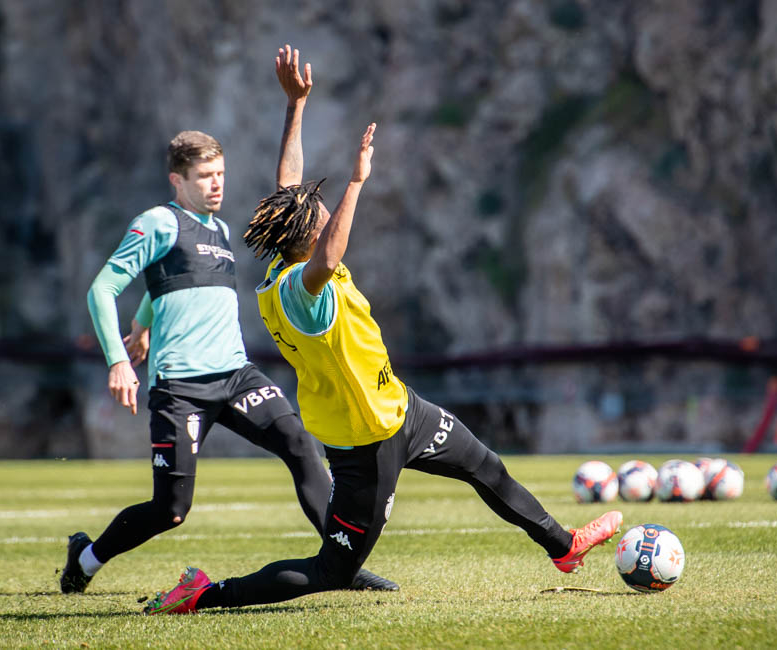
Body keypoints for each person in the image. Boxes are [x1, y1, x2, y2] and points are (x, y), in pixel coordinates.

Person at [142, 47, 622, 615]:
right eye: (319, 215)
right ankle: (203, 594)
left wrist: (295, 106)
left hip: (399, 409)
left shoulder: (288, 261)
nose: (323, 214)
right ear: (308, 237)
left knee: (484, 465)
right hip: (364, 440)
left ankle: (563, 546)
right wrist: (356, 181)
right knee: (333, 571)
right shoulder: (300, 290)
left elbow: (289, 185)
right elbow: (328, 255)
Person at [59, 45, 396, 594]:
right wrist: (119, 359)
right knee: (171, 510)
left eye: (220, 174)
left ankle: (343, 566)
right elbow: (103, 288)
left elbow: (169, 284)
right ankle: (87, 558)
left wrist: (144, 323)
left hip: (235, 376)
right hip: (182, 387)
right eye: (205, 176)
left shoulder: (217, 229)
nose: (217, 184)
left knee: (300, 445)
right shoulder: (158, 222)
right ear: (177, 180)